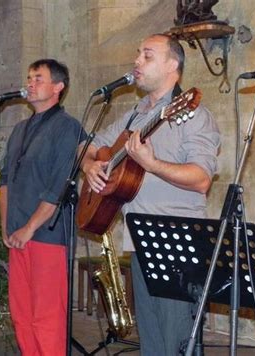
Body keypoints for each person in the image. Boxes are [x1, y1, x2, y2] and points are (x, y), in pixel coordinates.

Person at [80, 34, 220, 355]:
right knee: (153, 345)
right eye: (137, 54)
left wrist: (152, 163)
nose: (137, 61)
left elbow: (201, 179)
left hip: (178, 242)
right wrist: (90, 166)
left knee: (176, 343)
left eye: (147, 55)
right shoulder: (135, 115)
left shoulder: (194, 115)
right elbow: (86, 145)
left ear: (173, 65)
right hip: (141, 241)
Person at [0, 59, 86, 355]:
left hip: (47, 235)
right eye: (29, 78)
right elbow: (5, 181)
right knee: (21, 317)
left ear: (58, 87)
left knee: (46, 319)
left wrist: (29, 227)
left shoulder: (68, 128)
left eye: (38, 78)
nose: (30, 83)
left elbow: (58, 187)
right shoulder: (20, 129)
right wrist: (7, 227)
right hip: (17, 235)